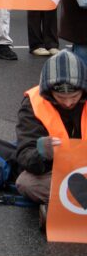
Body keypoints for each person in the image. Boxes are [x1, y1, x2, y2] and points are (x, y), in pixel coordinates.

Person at [15, 50, 85, 228]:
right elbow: (24, 155)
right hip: (55, 172)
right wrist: (41, 153)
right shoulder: (33, 103)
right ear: (49, 92)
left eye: (75, 97)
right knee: (26, 183)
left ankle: (62, 208)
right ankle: (74, 206)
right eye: (61, 97)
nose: (69, 103)